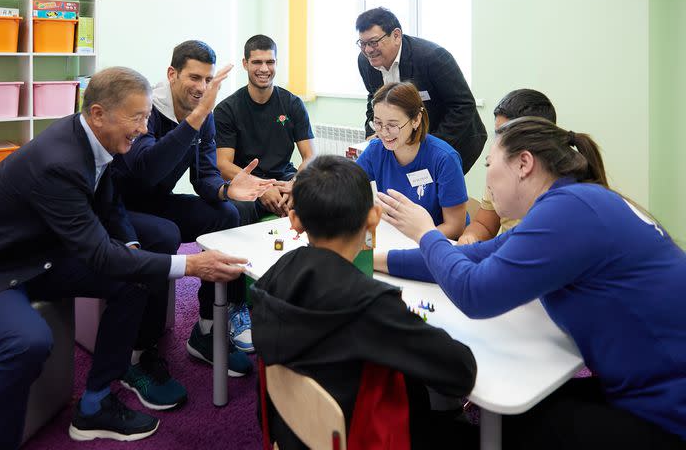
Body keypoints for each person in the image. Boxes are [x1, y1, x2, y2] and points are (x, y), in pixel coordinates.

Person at [0, 67, 249, 449]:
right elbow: (97, 255)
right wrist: (190, 266)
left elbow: (109, 206)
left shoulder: (93, 140)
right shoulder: (59, 160)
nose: (143, 128)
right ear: (97, 113)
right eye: (137, 118)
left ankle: (94, 406)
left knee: (134, 279)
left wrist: (132, 246)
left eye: (145, 117)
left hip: (38, 254)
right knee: (28, 341)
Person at [377, 117, 686, 449]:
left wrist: (425, 233)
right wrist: (369, 261)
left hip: (668, 414)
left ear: (524, 163)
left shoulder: (568, 210)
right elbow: (474, 255)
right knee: (511, 413)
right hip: (649, 388)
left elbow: (475, 293)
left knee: (510, 421)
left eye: (490, 164)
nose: (487, 180)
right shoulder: (575, 202)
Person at [252, 155, 477, 450]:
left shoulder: (271, 277)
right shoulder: (370, 305)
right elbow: (460, 372)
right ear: (374, 218)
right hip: (361, 436)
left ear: (295, 221)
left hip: (290, 431)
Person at [112, 40, 272, 380]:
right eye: (194, 78)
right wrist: (195, 121)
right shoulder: (147, 108)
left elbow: (205, 175)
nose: (201, 88)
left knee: (227, 214)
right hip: (118, 209)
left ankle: (207, 327)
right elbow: (147, 168)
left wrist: (226, 189)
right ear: (172, 74)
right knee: (165, 234)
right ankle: (141, 353)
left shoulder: (203, 115)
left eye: (208, 80)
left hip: (155, 204)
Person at [356, 7, 486, 174]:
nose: (368, 50)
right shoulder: (365, 62)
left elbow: (463, 105)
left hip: (453, 140)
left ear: (396, 35)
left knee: (435, 194)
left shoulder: (433, 58)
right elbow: (373, 98)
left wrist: (428, 149)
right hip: (406, 145)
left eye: (373, 42)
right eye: (363, 44)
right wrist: (373, 131)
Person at [215, 34, 314, 224]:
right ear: (245, 64)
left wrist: (295, 184)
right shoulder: (226, 109)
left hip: (283, 178)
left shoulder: (293, 104)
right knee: (235, 210)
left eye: (270, 62)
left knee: (316, 196)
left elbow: (310, 156)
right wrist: (260, 188)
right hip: (244, 180)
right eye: (257, 62)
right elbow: (223, 165)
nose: (264, 69)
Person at [356, 82, 468, 240]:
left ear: (416, 120)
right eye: (378, 123)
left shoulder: (444, 158)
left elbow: (455, 227)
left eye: (393, 125)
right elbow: (348, 189)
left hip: (436, 244)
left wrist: (414, 242)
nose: (383, 133)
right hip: (395, 238)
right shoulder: (375, 151)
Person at [458, 89, 557, 244]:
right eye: (497, 135)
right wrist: (471, 237)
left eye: (505, 136)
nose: (497, 144)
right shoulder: (501, 171)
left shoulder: (557, 189)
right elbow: (484, 224)